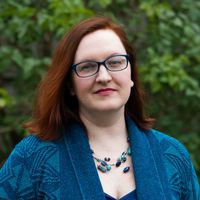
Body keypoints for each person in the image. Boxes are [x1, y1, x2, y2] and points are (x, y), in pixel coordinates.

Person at [0, 16, 199, 200]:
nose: (104, 77)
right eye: (87, 67)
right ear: (70, 84)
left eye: (115, 62)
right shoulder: (33, 157)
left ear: (131, 74)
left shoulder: (173, 155)